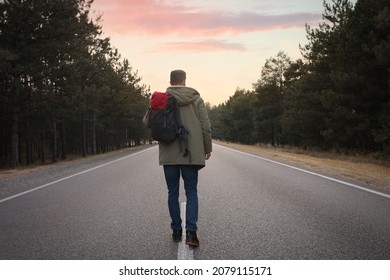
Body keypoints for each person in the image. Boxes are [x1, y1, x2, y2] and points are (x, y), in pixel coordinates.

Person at [159, 69, 212, 247]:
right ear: (184, 81)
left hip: (169, 153)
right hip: (190, 153)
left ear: (171, 80)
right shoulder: (196, 99)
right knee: (191, 192)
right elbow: (205, 125)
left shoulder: (161, 99)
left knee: (172, 192)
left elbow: (147, 121)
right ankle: (191, 234)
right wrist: (207, 147)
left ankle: (176, 231)